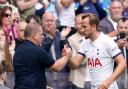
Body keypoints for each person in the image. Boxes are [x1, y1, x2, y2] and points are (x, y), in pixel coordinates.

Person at [63, 13, 127, 89]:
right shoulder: (84, 42)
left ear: (93, 27)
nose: (82, 30)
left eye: (85, 27)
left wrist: (108, 82)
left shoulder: (107, 41)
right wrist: (68, 56)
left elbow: (122, 63)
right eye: (81, 26)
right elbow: (75, 65)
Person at [13, 22, 72, 89]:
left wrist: (42, 86)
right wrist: (67, 56)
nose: (43, 37)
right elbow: (57, 67)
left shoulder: (18, 49)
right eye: (41, 34)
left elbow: (27, 74)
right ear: (34, 36)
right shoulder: (37, 50)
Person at [42, 12, 71, 89]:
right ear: (42, 22)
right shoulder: (39, 36)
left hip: (63, 74)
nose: (49, 23)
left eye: (51, 21)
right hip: (46, 74)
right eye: (47, 21)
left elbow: (68, 52)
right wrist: (51, 37)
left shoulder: (61, 35)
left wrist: (63, 38)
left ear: (55, 22)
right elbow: (41, 52)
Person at [68, 14, 91, 89]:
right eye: (79, 23)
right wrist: (91, 54)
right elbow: (75, 61)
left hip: (94, 78)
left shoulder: (93, 37)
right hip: (79, 80)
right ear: (75, 25)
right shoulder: (71, 39)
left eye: (84, 24)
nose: (82, 26)